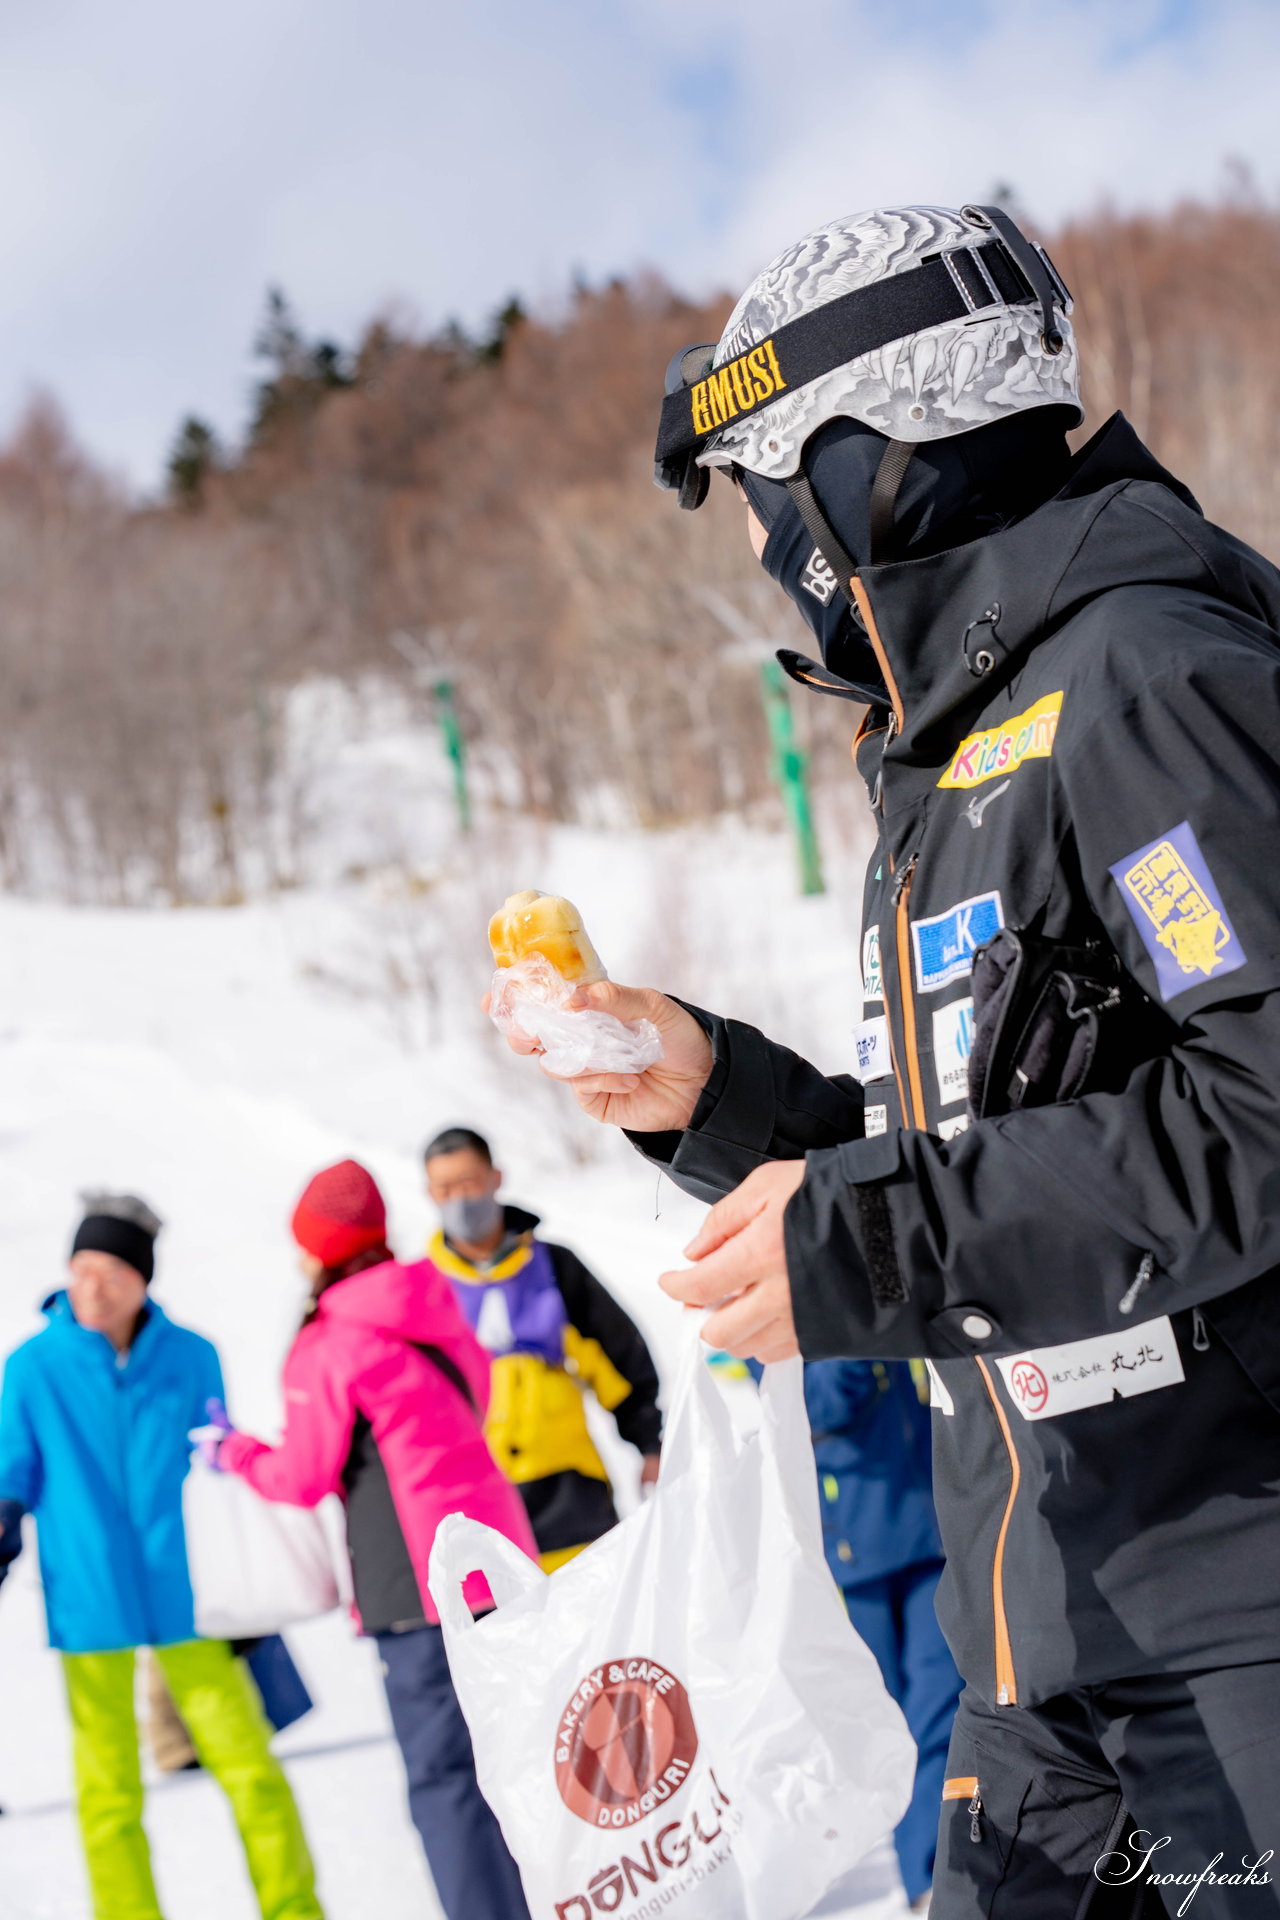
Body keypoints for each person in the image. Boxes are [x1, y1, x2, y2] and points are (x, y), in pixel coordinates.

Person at [499, 204, 1280, 1916]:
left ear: (880, 459)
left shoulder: (1148, 679)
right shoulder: (949, 767)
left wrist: (870, 1240)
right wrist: (715, 1097)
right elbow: (1019, 1153)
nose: (780, 554)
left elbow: (1262, 1113)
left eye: (780, 502)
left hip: (1237, 1634)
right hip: (1040, 1640)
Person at [210, 1158, 538, 1920]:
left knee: (445, 1777)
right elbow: (478, 1399)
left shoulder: (331, 1341)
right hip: (498, 1562)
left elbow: (302, 1475)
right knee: (521, 1754)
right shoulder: (436, 1297)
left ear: (319, 1248)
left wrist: (236, 1452)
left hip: (416, 1585)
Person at [0, 1191, 324, 1920]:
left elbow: (215, 1457)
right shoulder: (32, 1367)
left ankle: (295, 1909)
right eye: (82, 1268)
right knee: (107, 1793)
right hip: (88, 1602)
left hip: (193, 1597)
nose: (95, 1285)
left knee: (250, 1771)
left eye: (114, 1270)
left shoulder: (191, 1356)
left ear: (144, 1280)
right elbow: (11, 1470)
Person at [749, 1357, 960, 1911]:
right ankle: (922, 1871)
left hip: (932, 1533)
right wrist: (852, 1330)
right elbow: (822, 1404)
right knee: (890, 1722)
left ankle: (939, 1871)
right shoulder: (777, 1302)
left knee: (940, 1706)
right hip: (856, 1551)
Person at [422, 1125, 663, 1569]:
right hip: (479, 1507)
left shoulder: (555, 1267)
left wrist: (650, 1443)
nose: (459, 1198)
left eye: (469, 1182)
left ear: (496, 1177)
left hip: (572, 1492)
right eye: (445, 1188)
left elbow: (620, 1359)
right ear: (430, 1194)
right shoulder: (424, 1289)